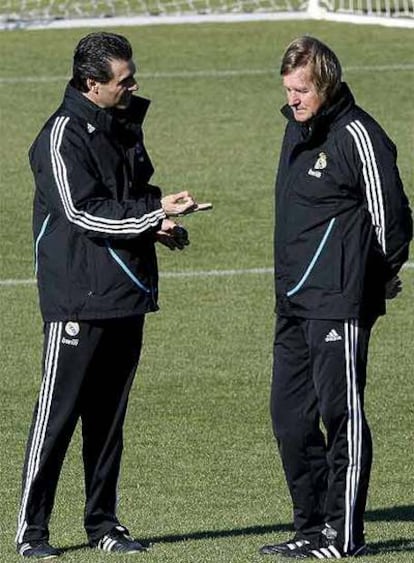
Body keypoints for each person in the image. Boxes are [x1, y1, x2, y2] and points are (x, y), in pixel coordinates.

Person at [16, 31, 202, 559]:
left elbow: (131, 194)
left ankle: (103, 524)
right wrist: (152, 213)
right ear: (91, 83)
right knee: (57, 416)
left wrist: (159, 224)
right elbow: (81, 211)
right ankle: (32, 532)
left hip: (125, 291)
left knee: (108, 420)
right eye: (124, 80)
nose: (133, 85)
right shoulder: (58, 138)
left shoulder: (120, 124)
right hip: (78, 296)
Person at [260, 36, 412, 559]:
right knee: (290, 418)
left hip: (338, 304)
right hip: (293, 302)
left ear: (325, 83)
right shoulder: (296, 129)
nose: (293, 99)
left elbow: (393, 224)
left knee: (340, 414)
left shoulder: (359, 135)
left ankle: (344, 535)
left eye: (301, 90)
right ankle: (309, 526)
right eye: (287, 90)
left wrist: (367, 284)